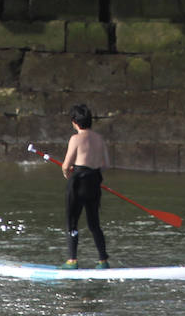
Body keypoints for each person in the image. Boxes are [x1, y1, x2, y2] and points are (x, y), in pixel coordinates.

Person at [61, 103, 111, 270]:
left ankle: (72, 261)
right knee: (94, 224)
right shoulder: (99, 139)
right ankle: (103, 261)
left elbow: (66, 166)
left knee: (72, 223)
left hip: (78, 182)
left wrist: (68, 175)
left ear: (74, 122)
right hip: (94, 182)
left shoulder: (75, 139)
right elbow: (105, 165)